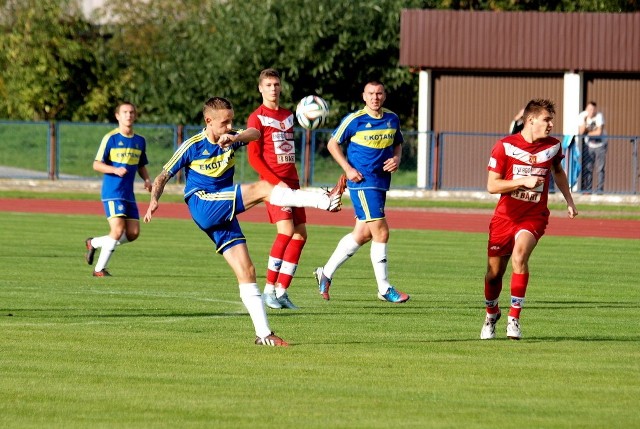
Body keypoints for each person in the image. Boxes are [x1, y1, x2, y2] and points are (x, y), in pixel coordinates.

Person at [143, 97, 343, 347]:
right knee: (262, 188)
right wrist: (154, 200)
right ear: (209, 121)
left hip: (223, 210)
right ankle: (324, 200)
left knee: (246, 271)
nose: (229, 126)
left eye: (231, 121)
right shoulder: (192, 145)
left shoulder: (231, 137)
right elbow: (163, 175)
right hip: (203, 203)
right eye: (224, 122)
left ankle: (263, 334)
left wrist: (235, 137)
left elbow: (255, 133)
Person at [480, 98, 578, 340]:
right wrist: (522, 181)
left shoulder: (553, 146)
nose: (551, 124)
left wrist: (569, 200)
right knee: (494, 274)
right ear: (530, 120)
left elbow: (558, 171)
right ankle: (491, 313)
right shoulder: (504, 146)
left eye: (551, 120)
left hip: (534, 216)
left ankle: (514, 318)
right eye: (547, 119)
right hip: (505, 217)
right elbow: (492, 186)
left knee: (520, 256)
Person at [313, 80, 410, 304]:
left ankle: (325, 273)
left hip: (380, 182)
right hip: (362, 182)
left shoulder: (392, 118)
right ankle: (384, 289)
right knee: (382, 233)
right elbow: (332, 144)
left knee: (363, 234)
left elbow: (398, 144)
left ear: (384, 96)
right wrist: (348, 169)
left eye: (379, 93)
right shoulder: (354, 120)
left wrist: (396, 159)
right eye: (371, 94)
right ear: (364, 97)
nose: (375, 97)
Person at [246, 68, 306, 310]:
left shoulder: (289, 116)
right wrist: (273, 181)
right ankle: (269, 290)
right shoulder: (256, 118)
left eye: (276, 84)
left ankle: (282, 291)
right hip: (273, 184)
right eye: (268, 85)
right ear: (260, 88)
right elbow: (254, 158)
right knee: (286, 231)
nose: (273, 88)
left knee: (301, 234)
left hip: (292, 182)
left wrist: (292, 179)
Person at [84, 102, 152, 277]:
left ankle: (95, 243)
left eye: (131, 112)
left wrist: (146, 179)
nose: (128, 115)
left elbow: (141, 165)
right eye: (125, 112)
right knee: (117, 230)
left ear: (135, 115)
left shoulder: (140, 141)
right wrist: (114, 169)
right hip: (113, 191)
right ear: (117, 116)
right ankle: (99, 269)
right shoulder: (111, 138)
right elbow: (96, 164)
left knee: (133, 233)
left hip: (128, 194)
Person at [578, 101, 607, 193]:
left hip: (601, 145)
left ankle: (599, 190)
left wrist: (588, 132)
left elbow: (599, 133)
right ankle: (587, 189)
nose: (591, 111)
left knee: (600, 168)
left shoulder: (599, 116)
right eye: (589, 109)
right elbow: (581, 132)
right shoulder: (583, 116)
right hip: (589, 145)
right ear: (586, 109)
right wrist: (586, 120)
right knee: (588, 168)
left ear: (595, 109)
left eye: (593, 109)